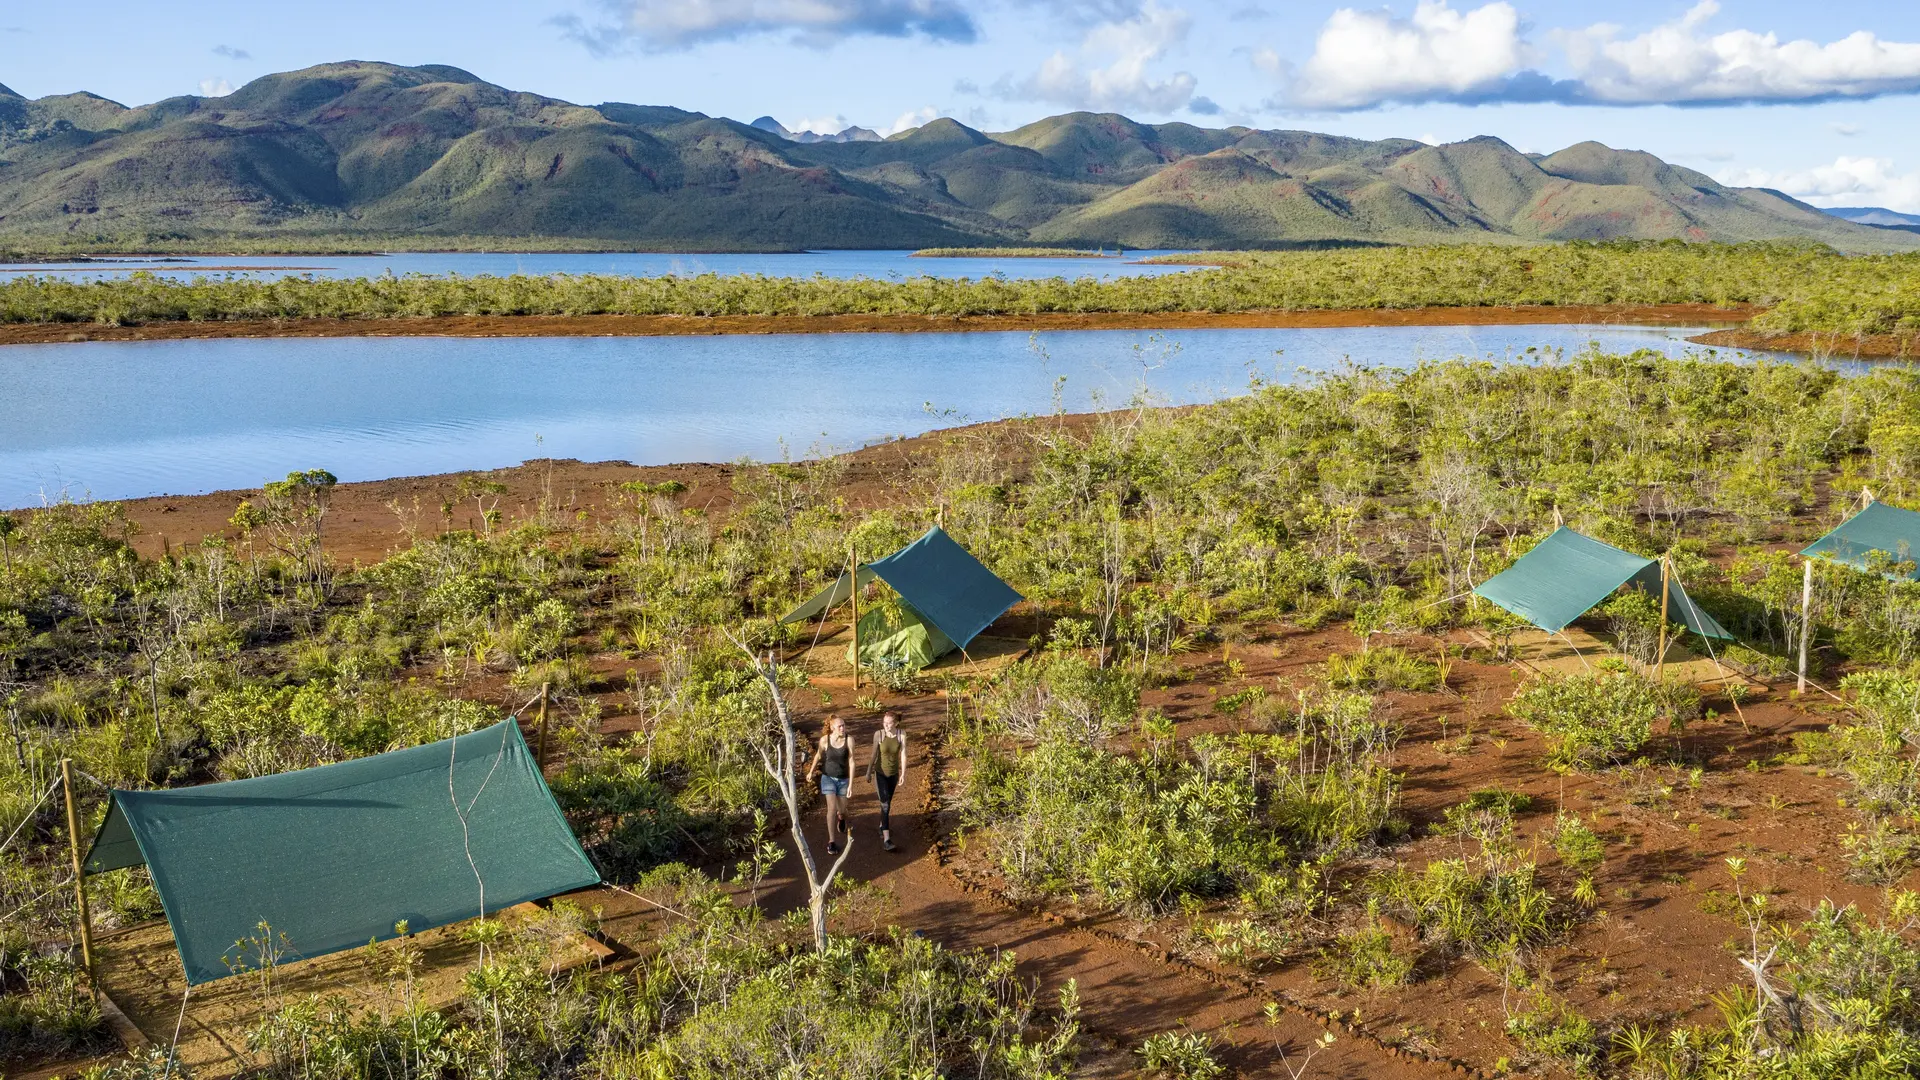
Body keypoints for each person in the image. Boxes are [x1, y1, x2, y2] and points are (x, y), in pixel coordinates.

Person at [805, 715, 854, 855]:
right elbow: (818, 756)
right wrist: (811, 771)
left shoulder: (849, 740)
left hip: (843, 779)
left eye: (844, 725)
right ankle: (831, 841)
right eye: (840, 726)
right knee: (831, 808)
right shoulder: (825, 740)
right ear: (832, 728)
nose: (843, 728)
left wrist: (850, 784)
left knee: (843, 809)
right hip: (828, 778)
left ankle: (842, 818)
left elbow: (851, 762)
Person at [867, 711, 908, 852]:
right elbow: (874, 754)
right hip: (880, 774)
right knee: (885, 805)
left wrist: (903, 773)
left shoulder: (901, 734)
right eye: (884, 723)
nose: (886, 725)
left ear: (896, 723)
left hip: (894, 774)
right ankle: (887, 839)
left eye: (889, 723)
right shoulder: (879, 734)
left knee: (887, 803)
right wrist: (868, 772)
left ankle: (881, 825)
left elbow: (903, 754)